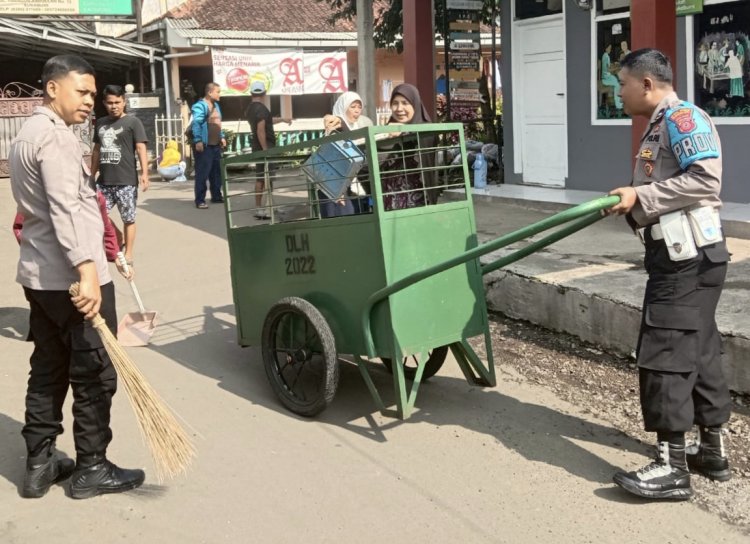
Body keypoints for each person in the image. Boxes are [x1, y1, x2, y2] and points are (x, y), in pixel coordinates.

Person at [8, 54, 145, 500]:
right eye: (81, 92)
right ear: (52, 89)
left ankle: (39, 464)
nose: (90, 101)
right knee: (95, 374)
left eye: (93, 93)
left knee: (48, 366)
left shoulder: (26, 135)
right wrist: (88, 271)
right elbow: (68, 207)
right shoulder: (57, 140)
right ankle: (92, 467)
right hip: (73, 277)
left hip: (40, 276)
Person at [606, 48, 731, 501]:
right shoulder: (660, 124)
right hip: (688, 255)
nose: (617, 92)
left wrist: (641, 196)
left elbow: (705, 180)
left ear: (645, 84)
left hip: (686, 259)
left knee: (665, 352)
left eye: (621, 83)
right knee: (698, 348)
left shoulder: (681, 119)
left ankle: (670, 467)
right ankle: (712, 451)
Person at [91, 84, 149, 268]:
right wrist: (91, 174)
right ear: (104, 103)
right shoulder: (100, 123)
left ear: (124, 102)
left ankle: (128, 252)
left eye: (117, 102)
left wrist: (145, 174)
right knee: (94, 215)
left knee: (128, 218)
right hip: (104, 182)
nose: (114, 106)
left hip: (126, 181)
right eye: (110, 103)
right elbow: (97, 150)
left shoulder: (133, 123)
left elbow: (141, 148)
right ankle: (117, 236)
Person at [380, 83, 437, 210]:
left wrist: (404, 131)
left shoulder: (426, 128)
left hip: (419, 207)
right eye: (395, 103)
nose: (399, 108)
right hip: (389, 209)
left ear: (415, 104)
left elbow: (425, 137)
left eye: (405, 103)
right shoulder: (386, 132)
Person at [321, 91, 374, 216]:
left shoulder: (362, 125)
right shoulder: (334, 127)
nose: (357, 110)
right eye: (353, 106)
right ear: (343, 107)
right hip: (339, 188)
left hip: (359, 187)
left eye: (359, 107)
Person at [191, 82, 226, 209]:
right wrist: (198, 140)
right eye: (218, 91)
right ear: (210, 92)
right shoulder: (200, 106)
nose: (219, 94)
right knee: (202, 173)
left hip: (215, 145)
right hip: (205, 145)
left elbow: (217, 122)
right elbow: (196, 123)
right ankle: (200, 200)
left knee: (216, 172)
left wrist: (221, 136)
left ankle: (216, 196)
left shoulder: (216, 105)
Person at [245, 80, 276, 220]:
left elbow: (266, 121)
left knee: (262, 177)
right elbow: (261, 129)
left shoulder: (250, 108)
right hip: (265, 146)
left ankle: (263, 207)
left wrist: (282, 119)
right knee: (265, 178)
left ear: (251, 93)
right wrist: (265, 150)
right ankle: (266, 207)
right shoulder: (262, 109)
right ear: (264, 93)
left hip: (257, 146)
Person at [601, 44, 623, 110]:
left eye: (610, 48)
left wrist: (613, 65)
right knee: (618, 84)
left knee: (617, 80)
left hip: (607, 75)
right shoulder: (605, 56)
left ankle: (620, 103)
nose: (610, 49)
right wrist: (616, 68)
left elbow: (607, 65)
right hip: (605, 77)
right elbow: (607, 69)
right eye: (609, 48)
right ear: (606, 49)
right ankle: (618, 105)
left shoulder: (606, 55)